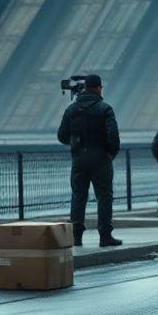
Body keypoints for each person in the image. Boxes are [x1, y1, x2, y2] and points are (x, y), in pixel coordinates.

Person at [57, 74, 122, 248]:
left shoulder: (71, 109)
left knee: (78, 196)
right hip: (101, 159)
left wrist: (75, 143)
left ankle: (76, 237)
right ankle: (105, 236)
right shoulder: (105, 108)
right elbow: (113, 135)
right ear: (99, 87)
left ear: (85, 87)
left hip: (79, 159)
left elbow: (62, 136)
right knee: (104, 197)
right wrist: (110, 153)